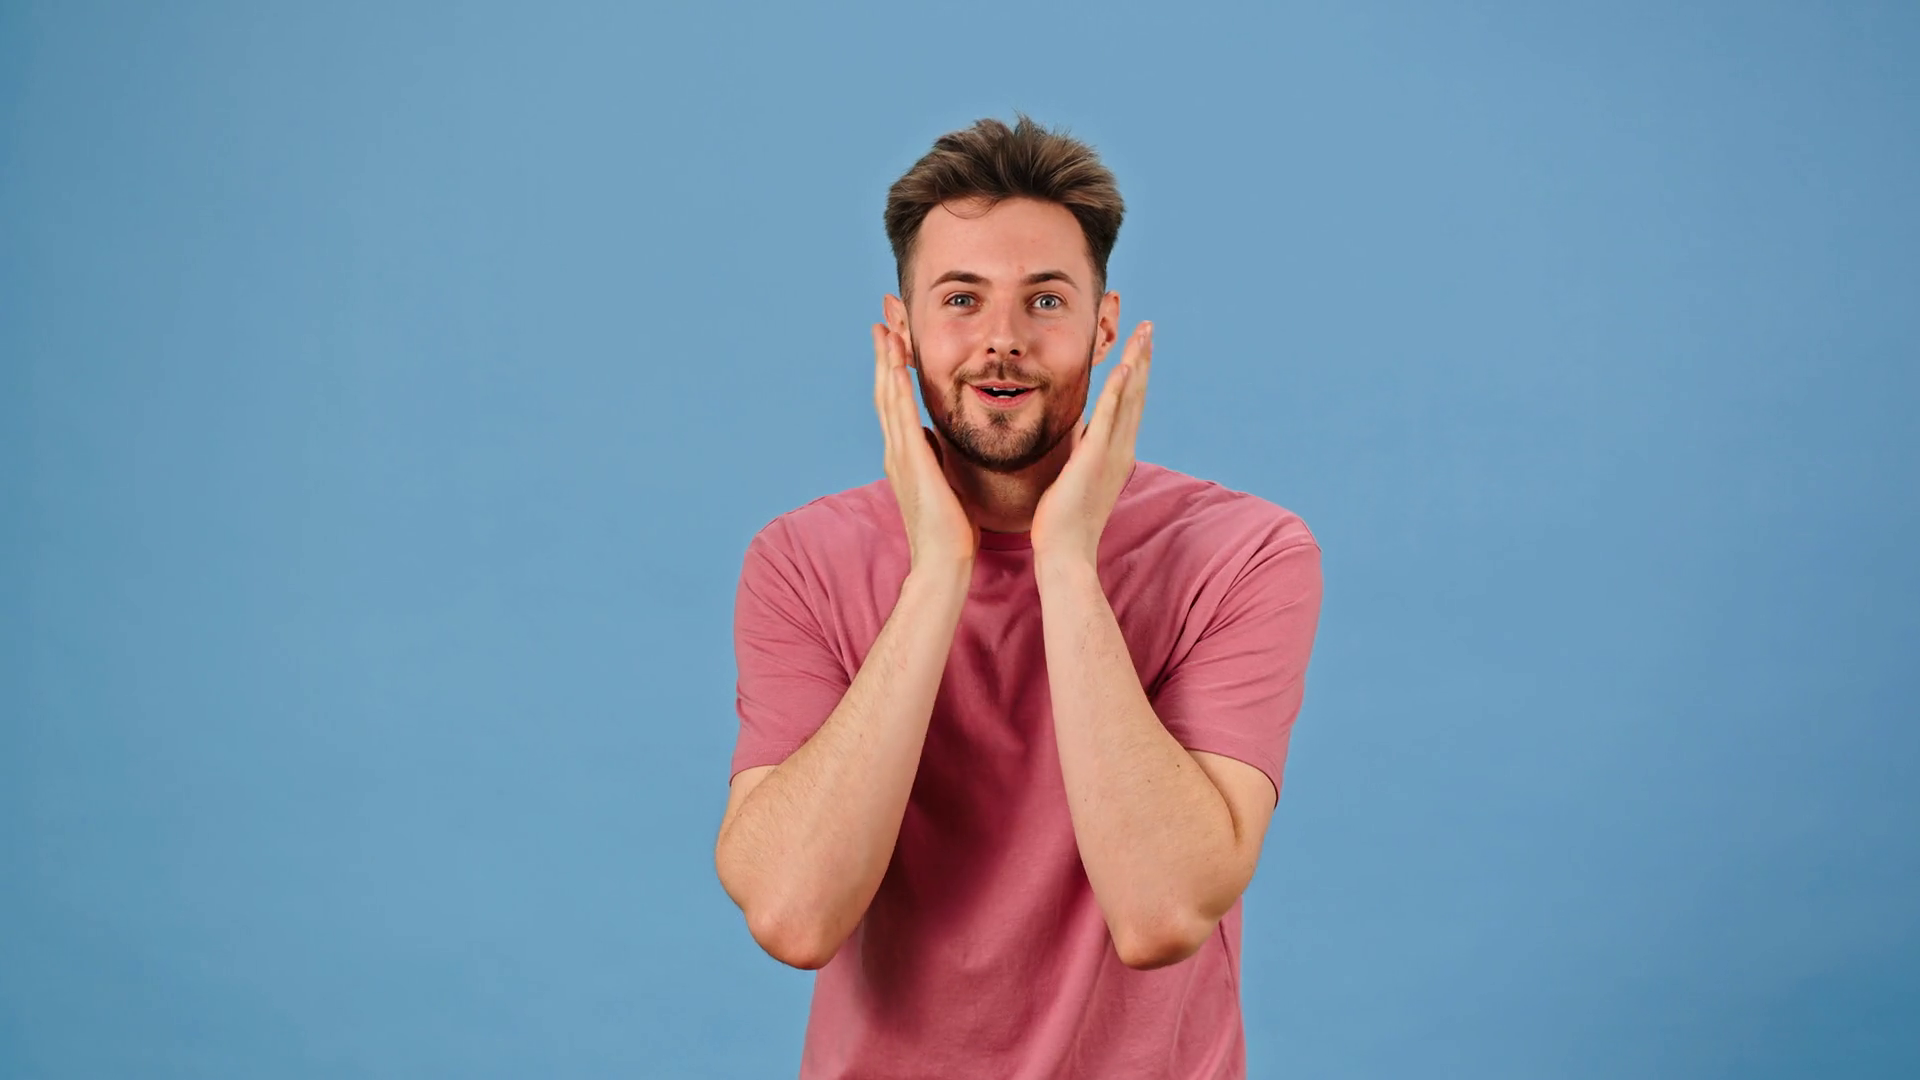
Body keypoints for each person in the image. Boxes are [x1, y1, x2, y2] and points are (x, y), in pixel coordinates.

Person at [713, 115, 1324, 1079]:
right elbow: (794, 916)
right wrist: (938, 572)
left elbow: (1163, 912)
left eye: (1045, 300)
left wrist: (1067, 559)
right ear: (902, 330)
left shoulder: (1242, 554)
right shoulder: (802, 560)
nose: (1002, 340)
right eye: (962, 299)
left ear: (1104, 326)